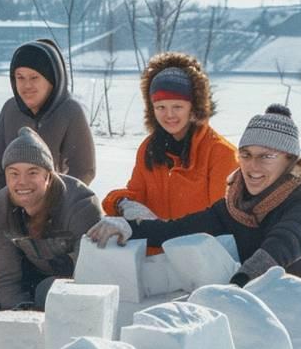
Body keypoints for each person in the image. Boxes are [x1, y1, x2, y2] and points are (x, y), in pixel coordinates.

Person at [88, 104, 301, 284]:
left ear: (290, 161)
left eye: (266, 156)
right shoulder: (234, 206)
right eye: (246, 155)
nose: (253, 166)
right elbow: (175, 229)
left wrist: (239, 284)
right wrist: (129, 227)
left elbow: (283, 244)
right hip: (257, 313)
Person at [101, 53, 238, 252]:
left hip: (202, 258)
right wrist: (124, 203)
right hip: (155, 256)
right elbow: (136, 193)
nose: (169, 115)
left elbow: (220, 222)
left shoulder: (221, 154)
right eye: (160, 107)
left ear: (194, 107)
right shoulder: (148, 149)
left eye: (177, 106)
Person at [0, 127, 103, 310]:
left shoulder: (81, 205)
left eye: (32, 172)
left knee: (47, 289)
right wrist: (19, 314)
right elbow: (7, 278)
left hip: (73, 285)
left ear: (48, 176)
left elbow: (89, 280)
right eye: (14, 173)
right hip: (32, 277)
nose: (22, 181)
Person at [0, 38, 95, 189]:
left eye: (34, 77)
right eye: (20, 78)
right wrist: (2, 201)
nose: (27, 85)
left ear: (52, 80)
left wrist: (56, 202)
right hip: (12, 200)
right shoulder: (10, 109)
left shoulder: (70, 111)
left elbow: (83, 170)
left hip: (57, 203)